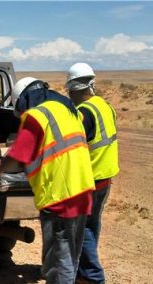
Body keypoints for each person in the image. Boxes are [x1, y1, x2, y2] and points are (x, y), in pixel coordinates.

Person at [0, 77, 95, 283]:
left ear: (24, 100)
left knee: (59, 259)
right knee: (70, 255)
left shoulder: (37, 115)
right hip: (83, 190)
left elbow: (17, 157)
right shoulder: (67, 110)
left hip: (60, 196)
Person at [66, 63, 119, 284]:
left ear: (72, 89)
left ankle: (92, 276)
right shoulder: (105, 106)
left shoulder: (83, 113)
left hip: (89, 179)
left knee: (82, 229)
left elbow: (72, 148)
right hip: (106, 177)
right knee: (92, 225)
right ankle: (82, 271)